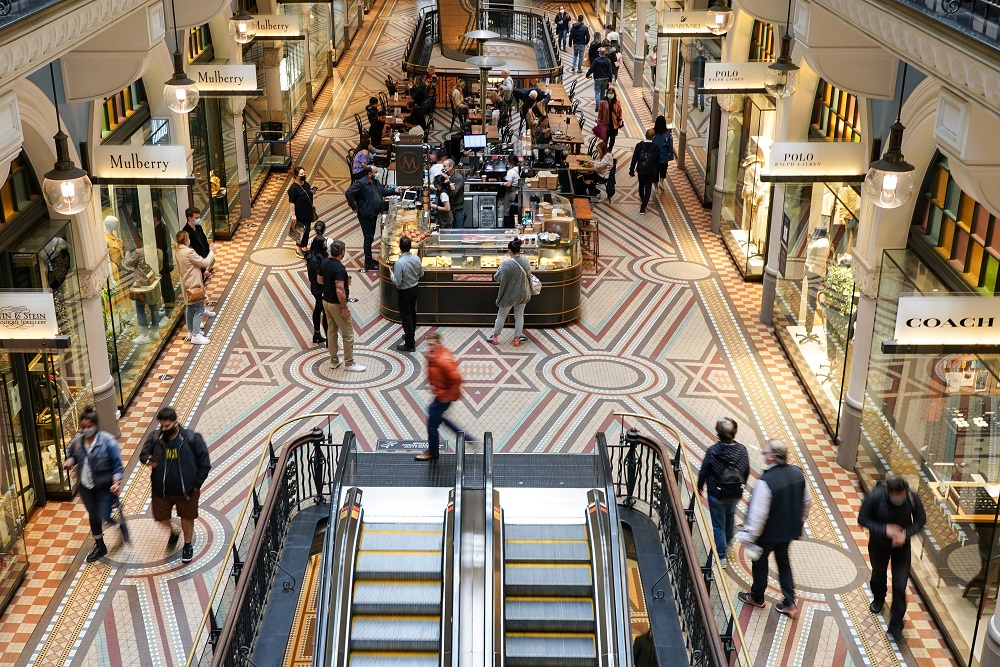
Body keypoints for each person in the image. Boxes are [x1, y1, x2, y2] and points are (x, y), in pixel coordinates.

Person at [737, 439, 811, 619]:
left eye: (765, 453)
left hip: (767, 534)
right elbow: (807, 501)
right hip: (788, 532)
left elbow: (759, 515)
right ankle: (790, 602)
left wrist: (750, 536)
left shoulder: (766, 482)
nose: (763, 455)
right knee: (783, 563)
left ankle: (757, 596)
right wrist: (800, 520)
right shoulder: (798, 474)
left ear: (771, 457)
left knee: (760, 564)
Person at [139, 406, 212, 564]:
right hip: (161, 490)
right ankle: (173, 533)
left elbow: (204, 463)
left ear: (176, 422)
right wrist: (147, 460)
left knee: (187, 517)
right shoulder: (155, 437)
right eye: (161, 426)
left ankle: (187, 545)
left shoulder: (191, 438)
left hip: (186, 490)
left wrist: (197, 484)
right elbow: (143, 455)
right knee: (160, 517)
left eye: (167, 426)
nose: (163, 429)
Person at [859, 475, 926, 643]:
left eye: (901, 495)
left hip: (901, 548)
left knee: (899, 586)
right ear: (889, 493)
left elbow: (920, 520)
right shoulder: (875, 496)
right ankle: (879, 596)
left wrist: (905, 533)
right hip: (879, 545)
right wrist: (885, 529)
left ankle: (896, 626)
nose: (899, 498)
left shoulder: (912, 498)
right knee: (879, 574)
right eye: (895, 495)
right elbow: (863, 519)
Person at [63, 407, 127, 563]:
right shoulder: (78, 442)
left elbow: (117, 465)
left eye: (88, 427)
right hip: (86, 487)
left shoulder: (108, 442)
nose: (86, 430)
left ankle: (119, 524)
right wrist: (70, 462)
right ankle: (100, 545)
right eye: (83, 427)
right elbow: (73, 455)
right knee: (93, 515)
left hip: (103, 487)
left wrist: (116, 482)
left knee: (104, 515)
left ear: (95, 425)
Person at [696, 417, 750, 569]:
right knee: (730, 517)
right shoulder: (742, 450)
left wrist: (700, 486)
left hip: (716, 494)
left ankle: (721, 556)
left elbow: (704, 471)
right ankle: (728, 544)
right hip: (734, 494)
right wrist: (740, 486)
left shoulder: (713, 451)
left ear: (718, 434)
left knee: (718, 525)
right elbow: (746, 471)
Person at [417, 331, 471, 461]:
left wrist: (447, 395)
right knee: (434, 414)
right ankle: (465, 437)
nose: (429, 347)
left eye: (432, 345)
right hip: (441, 394)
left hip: (444, 397)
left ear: (438, 343)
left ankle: (433, 452)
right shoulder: (435, 355)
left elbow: (457, 379)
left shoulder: (443, 360)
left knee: (432, 425)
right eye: (428, 345)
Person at [318, 240, 366, 372]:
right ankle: (349, 363)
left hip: (325, 302)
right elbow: (340, 289)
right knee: (348, 334)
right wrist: (344, 307)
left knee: (332, 332)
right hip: (336, 304)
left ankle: (334, 361)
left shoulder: (325, 263)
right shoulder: (339, 268)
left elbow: (319, 280)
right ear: (342, 252)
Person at [488, 238, 532, 346]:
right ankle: (517, 338)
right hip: (522, 293)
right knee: (519, 315)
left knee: (501, 316)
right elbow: (529, 275)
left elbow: (497, 277)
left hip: (508, 295)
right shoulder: (525, 261)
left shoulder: (506, 264)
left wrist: (500, 267)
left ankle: (495, 337)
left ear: (509, 251)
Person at [175, 230, 216, 345]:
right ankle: (196, 335)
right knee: (198, 308)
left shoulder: (177, 251)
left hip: (185, 283)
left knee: (189, 308)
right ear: (185, 240)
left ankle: (191, 331)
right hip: (194, 283)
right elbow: (204, 262)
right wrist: (211, 252)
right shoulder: (189, 251)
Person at [345, 165, 386, 271]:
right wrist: (354, 207)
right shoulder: (361, 183)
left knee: (371, 237)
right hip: (366, 215)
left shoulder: (375, 182)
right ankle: (368, 262)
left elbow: (383, 191)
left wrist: (396, 190)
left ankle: (370, 259)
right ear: (369, 174)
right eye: (375, 172)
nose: (377, 174)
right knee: (368, 238)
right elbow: (348, 193)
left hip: (373, 213)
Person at [392, 235, 424, 352]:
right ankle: (410, 334)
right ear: (410, 247)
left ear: (400, 247)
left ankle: (410, 343)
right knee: (412, 313)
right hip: (414, 289)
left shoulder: (399, 263)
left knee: (406, 317)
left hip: (404, 291)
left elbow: (397, 282)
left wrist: (391, 273)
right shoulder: (416, 259)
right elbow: (421, 274)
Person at [629, 129, 660, 213]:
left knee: (641, 186)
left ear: (645, 135)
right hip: (651, 171)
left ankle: (643, 200)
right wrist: (657, 174)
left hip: (641, 170)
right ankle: (643, 207)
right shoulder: (656, 147)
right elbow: (658, 161)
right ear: (653, 137)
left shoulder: (639, 145)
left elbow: (634, 158)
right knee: (648, 188)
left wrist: (631, 170)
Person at [288, 166, 318, 254]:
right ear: (296, 176)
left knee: (307, 230)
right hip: (300, 214)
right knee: (300, 231)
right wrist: (293, 215)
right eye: (301, 174)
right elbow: (292, 203)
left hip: (308, 213)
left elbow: (308, 193)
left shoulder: (306, 184)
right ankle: (298, 249)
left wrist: (312, 192)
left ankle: (304, 247)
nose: (304, 175)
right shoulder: (293, 189)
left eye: (304, 173)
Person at [305, 236, 328, 345]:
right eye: (323, 244)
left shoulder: (316, 255)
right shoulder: (314, 259)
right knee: (323, 311)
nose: (325, 246)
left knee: (318, 308)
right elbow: (318, 276)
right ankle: (327, 336)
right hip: (318, 288)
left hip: (318, 287)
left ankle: (317, 333)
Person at [153, 207, 176, 306]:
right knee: (167, 285)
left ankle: (169, 306)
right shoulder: (162, 227)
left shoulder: (160, 229)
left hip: (163, 262)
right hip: (164, 261)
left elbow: (162, 247)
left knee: (165, 286)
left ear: (154, 218)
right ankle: (170, 304)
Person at [652, 115, 676, 188]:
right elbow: (670, 146)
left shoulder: (653, 133)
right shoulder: (667, 134)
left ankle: (656, 187)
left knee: (655, 170)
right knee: (663, 168)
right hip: (664, 155)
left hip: (655, 156)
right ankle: (661, 182)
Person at [444, 159, 467, 228]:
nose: (443, 168)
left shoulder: (458, 178)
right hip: (448, 208)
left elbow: (454, 193)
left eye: (445, 166)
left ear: (451, 167)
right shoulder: (444, 176)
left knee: (458, 231)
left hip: (458, 208)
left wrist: (448, 182)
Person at [502, 155, 521, 224]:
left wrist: (503, 184)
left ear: (510, 163)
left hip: (511, 193)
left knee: (507, 211)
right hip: (517, 193)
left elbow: (509, 184)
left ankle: (507, 226)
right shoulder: (519, 169)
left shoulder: (510, 171)